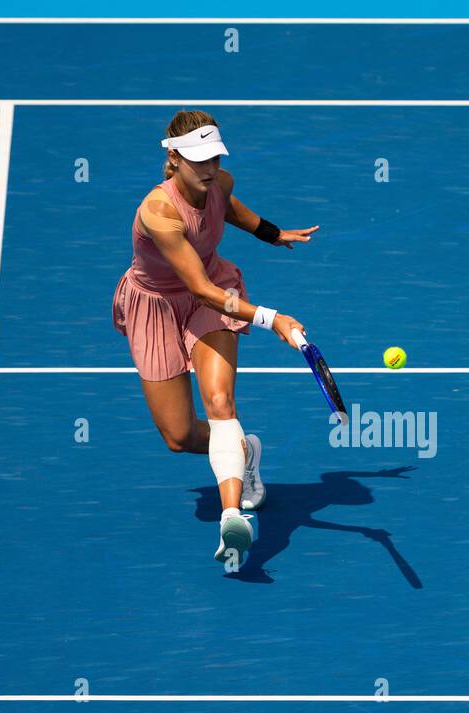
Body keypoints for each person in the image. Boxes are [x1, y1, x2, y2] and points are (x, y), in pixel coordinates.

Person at [112, 110, 319, 563]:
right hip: (162, 305)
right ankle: (243, 451)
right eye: (199, 159)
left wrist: (272, 233)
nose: (209, 168)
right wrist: (274, 318)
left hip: (214, 290)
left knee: (221, 403)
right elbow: (200, 292)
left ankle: (234, 517)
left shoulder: (218, 183)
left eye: (215, 158)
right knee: (179, 435)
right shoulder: (159, 212)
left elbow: (232, 209)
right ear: (174, 158)